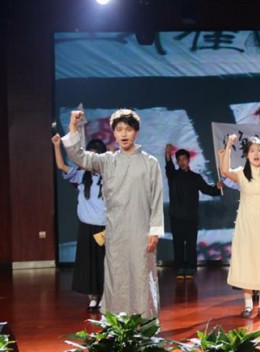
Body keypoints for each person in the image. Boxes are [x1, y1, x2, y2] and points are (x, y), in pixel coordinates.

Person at [62, 109, 164, 319]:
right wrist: (73, 125)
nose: (124, 134)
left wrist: (155, 230)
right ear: (114, 133)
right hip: (115, 230)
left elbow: (156, 198)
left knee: (142, 274)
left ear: (136, 132)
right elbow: (78, 156)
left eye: (128, 129)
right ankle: (117, 321)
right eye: (119, 130)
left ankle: (145, 319)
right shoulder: (107, 161)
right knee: (117, 275)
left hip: (141, 230)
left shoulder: (150, 162)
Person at [218, 134, 260, 318]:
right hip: (246, 224)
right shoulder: (241, 173)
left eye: (259, 150)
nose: (256, 153)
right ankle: (247, 305)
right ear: (247, 155)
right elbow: (224, 170)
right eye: (252, 150)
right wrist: (229, 145)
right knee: (246, 261)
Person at [52, 135, 107, 312]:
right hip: (86, 227)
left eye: (95, 155)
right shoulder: (82, 175)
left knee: (105, 264)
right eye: (89, 154)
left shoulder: (109, 176)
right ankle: (93, 298)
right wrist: (56, 145)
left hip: (105, 227)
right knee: (88, 264)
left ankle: (105, 297)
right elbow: (61, 166)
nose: (91, 159)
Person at [165, 144, 223, 279]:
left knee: (191, 245)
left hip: (191, 217)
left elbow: (207, 190)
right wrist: (167, 155)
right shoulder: (173, 175)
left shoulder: (195, 177)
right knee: (178, 244)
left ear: (188, 160)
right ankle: (180, 268)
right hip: (176, 216)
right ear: (177, 161)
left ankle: (191, 268)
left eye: (184, 159)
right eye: (179, 160)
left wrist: (217, 188)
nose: (182, 162)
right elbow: (169, 167)